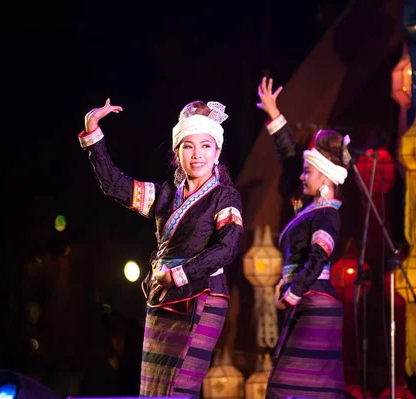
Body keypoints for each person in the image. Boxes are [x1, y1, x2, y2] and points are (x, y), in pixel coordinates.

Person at [78, 98, 244, 397]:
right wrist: (93, 133)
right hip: (162, 297)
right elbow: (115, 186)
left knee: (179, 388)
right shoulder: (164, 196)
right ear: (176, 152)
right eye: (188, 146)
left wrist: (179, 274)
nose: (197, 155)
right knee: (153, 389)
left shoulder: (225, 197)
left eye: (206, 146)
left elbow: (227, 249)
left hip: (202, 295)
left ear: (217, 151)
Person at [256, 77, 349, 399]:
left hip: (315, 300)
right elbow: (291, 159)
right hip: (308, 301)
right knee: (297, 389)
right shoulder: (311, 209)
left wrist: (292, 293)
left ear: (325, 177)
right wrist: (273, 113)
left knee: (286, 389)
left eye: (309, 172)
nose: (302, 175)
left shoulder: (327, 214)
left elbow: (318, 257)